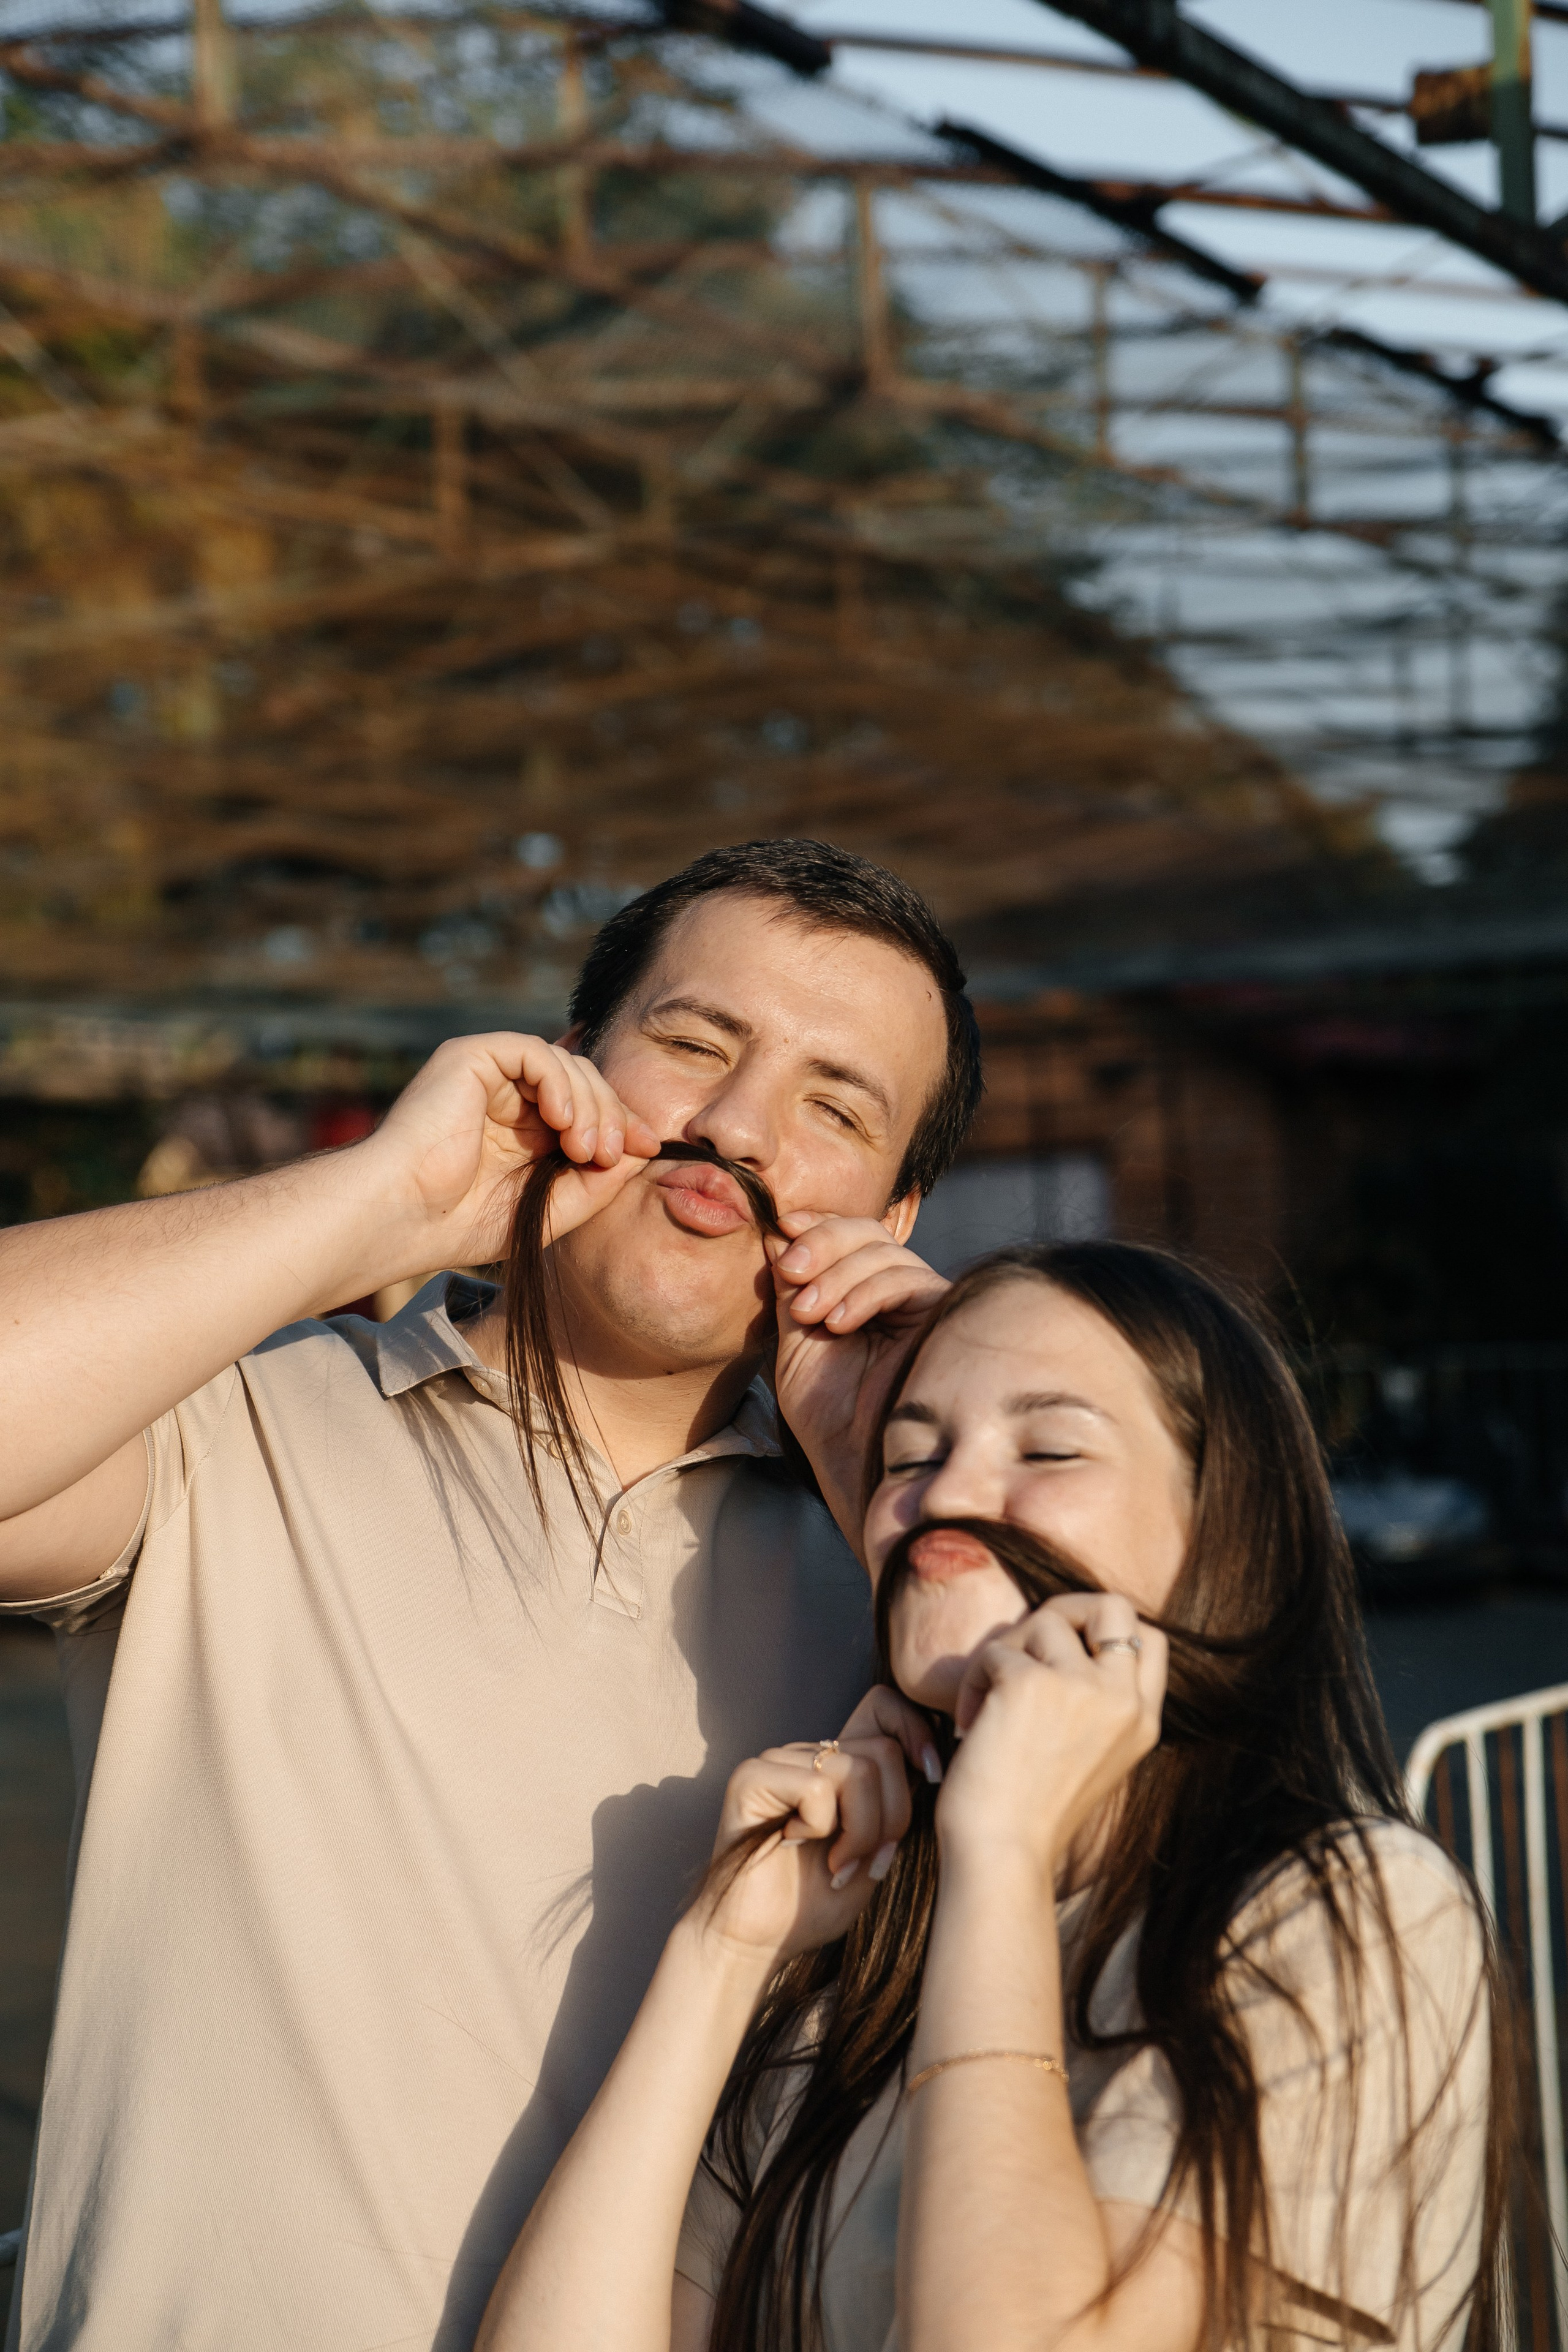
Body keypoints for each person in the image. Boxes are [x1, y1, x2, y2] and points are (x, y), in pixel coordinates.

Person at [0, 839, 981, 2352]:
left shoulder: (904, 1593)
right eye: (692, 1043)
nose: (734, 1128)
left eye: (831, 1106)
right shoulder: (228, 1425)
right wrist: (379, 1202)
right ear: (568, 1061)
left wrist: (916, 1483)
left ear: (895, 1218)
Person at [483, 1242, 1506, 2352]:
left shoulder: (1346, 1912)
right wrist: (724, 1951)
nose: (942, 1499)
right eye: (909, 1455)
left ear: (1225, 1529)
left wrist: (1003, 1851)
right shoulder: (860, 1963)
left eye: (1050, 1447)